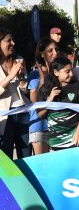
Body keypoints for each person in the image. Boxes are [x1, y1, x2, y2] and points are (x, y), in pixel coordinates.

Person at [38, 57, 79, 150]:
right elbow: (39, 113)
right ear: (56, 72)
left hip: (74, 140)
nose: (71, 74)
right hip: (55, 142)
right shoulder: (45, 89)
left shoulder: (77, 86)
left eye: (72, 70)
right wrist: (50, 99)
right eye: (67, 71)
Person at [0, 28, 31, 159]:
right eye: (8, 41)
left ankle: (28, 179)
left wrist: (22, 79)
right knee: (6, 156)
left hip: (23, 112)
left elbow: (25, 90)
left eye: (13, 40)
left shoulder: (19, 60)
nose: (13, 43)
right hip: (4, 116)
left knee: (26, 154)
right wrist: (11, 75)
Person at [27, 38, 59, 155]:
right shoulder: (35, 74)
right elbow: (34, 100)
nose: (55, 53)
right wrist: (42, 78)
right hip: (39, 125)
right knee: (42, 167)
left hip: (58, 125)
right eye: (50, 50)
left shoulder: (60, 72)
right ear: (42, 54)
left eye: (56, 49)